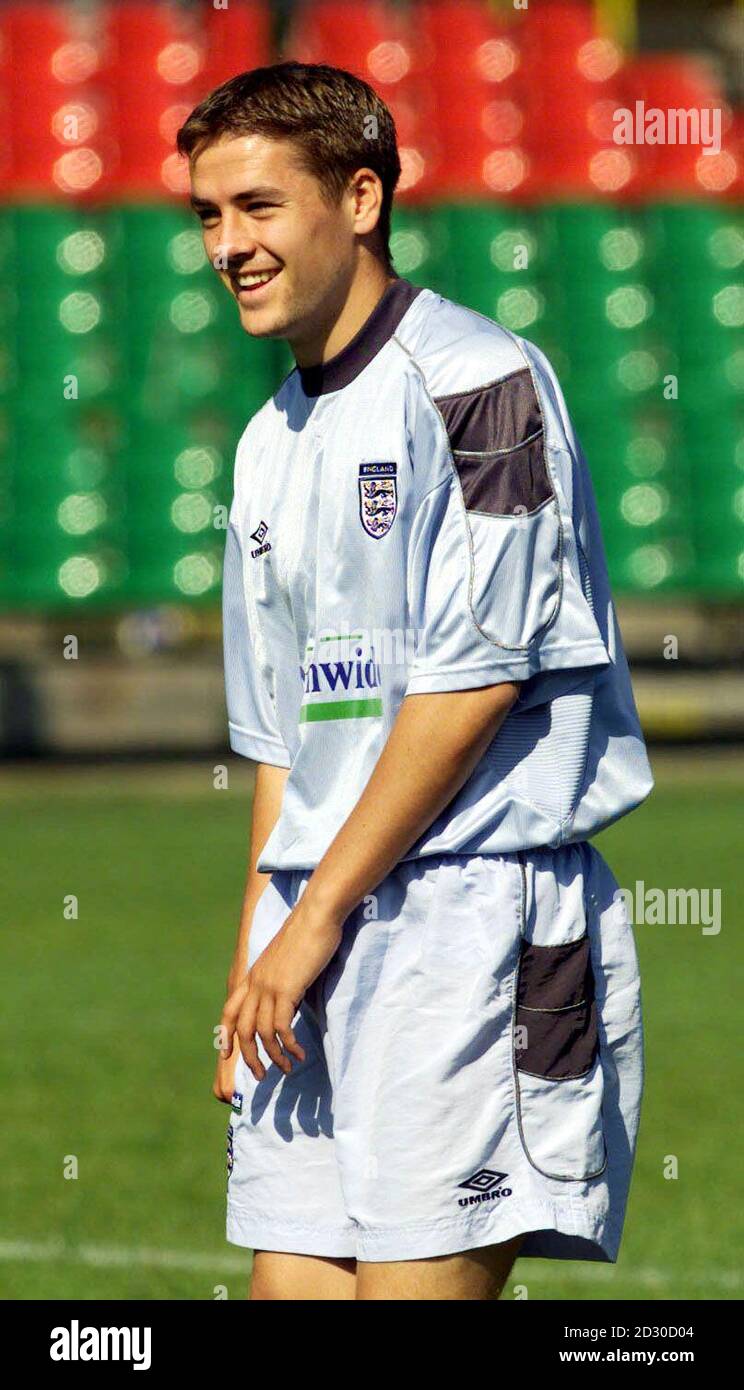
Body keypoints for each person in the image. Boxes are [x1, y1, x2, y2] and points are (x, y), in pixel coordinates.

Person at [177, 61, 654, 1302]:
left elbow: (472, 687)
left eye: (260, 208)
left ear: (362, 196)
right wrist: (261, 943)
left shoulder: (483, 386)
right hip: (313, 927)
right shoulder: (268, 433)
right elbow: (280, 735)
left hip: (469, 926)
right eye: (209, 216)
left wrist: (318, 913)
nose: (228, 245)